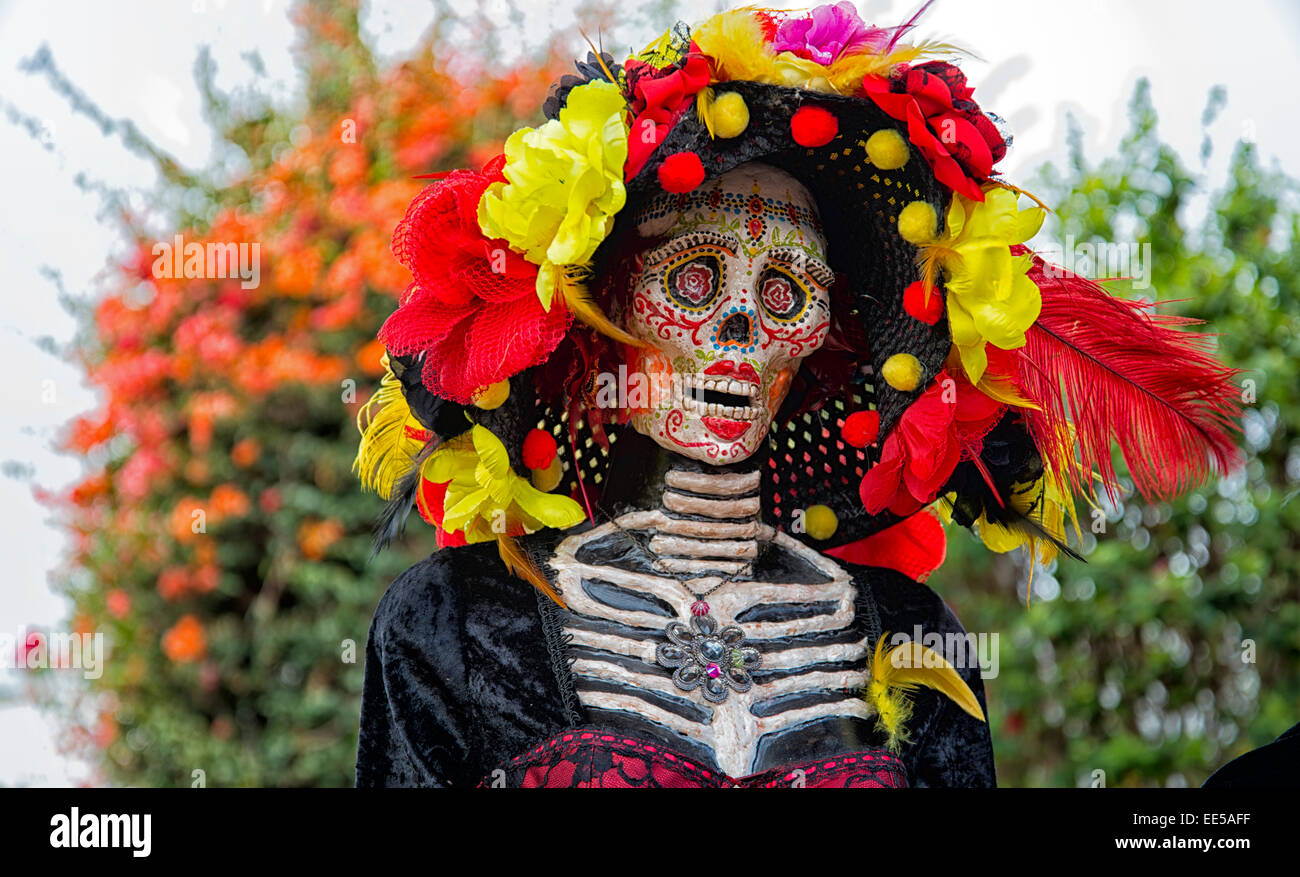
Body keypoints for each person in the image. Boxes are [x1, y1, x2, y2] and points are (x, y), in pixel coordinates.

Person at [352, 3, 1240, 788]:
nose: (739, 325)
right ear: (611, 312)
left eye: (784, 293)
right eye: (696, 280)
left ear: (818, 340)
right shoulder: (457, 621)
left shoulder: (911, 632)